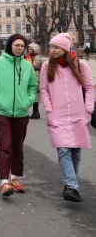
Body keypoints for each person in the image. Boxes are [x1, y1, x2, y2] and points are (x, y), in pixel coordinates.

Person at [39, 32, 94, 202]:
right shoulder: (47, 66)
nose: (52, 50)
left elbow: (90, 87)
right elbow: (44, 89)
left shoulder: (80, 65)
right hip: (57, 115)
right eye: (51, 46)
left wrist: (88, 108)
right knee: (63, 149)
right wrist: (49, 108)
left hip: (79, 114)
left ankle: (69, 182)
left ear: (64, 48)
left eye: (55, 47)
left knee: (75, 151)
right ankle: (72, 186)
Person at [0, 34, 37, 198]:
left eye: (22, 46)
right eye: (17, 45)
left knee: (17, 146)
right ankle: (4, 182)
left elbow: (33, 87)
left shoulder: (27, 66)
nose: (20, 48)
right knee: (5, 145)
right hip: (2, 112)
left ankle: (15, 178)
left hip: (21, 113)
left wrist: (27, 101)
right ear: (9, 45)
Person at [25, 43, 43, 120]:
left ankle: (36, 112)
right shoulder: (30, 57)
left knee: (36, 95)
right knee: (32, 94)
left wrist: (26, 62)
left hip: (36, 76)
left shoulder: (37, 57)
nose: (29, 50)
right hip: (31, 75)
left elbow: (34, 65)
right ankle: (36, 112)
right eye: (28, 49)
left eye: (31, 49)